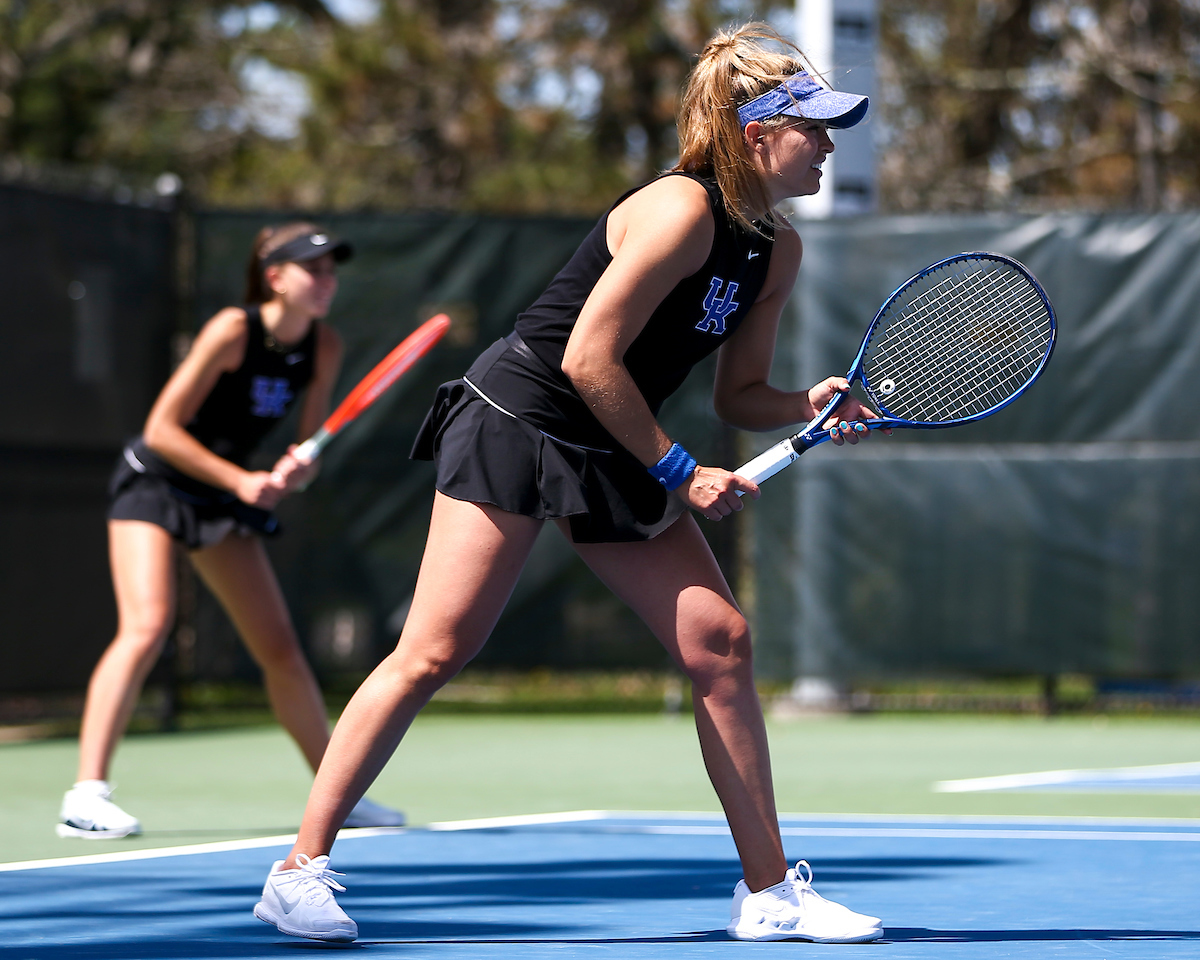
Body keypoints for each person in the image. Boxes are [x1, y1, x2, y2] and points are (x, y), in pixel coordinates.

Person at [254, 23, 883, 944]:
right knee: (435, 650)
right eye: (814, 127)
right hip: (520, 416)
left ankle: (769, 894)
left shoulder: (775, 252)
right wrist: (681, 471)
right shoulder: (679, 210)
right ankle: (297, 872)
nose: (830, 144)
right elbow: (588, 358)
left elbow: (738, 395)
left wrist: (805, 403)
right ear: (756, 133)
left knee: (720, 642)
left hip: (610, 435)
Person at [59, 223, 405, 839]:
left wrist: (297, 470)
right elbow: (162, 428)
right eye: (312, 269)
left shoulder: (324, 346)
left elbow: (309, 446)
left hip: (220, 497)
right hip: (155, 482)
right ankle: (85, 797)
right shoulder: (231, 330)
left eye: (331, 271)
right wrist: (241, 481)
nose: (326, 282)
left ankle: (338, 797)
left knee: (281, 649)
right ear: (275, 277)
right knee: (147, 625)